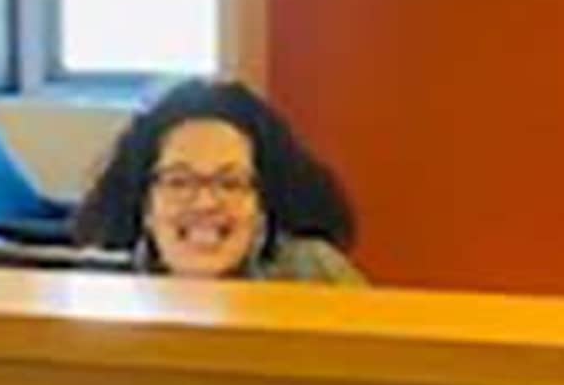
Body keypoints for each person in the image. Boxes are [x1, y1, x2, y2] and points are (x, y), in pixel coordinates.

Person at [73, 78, 367, 285]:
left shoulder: (312, 274)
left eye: (230, 183)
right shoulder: (99, 285)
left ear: (263, 205)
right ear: (146, 205)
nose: (205, 202)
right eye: (179, 182)